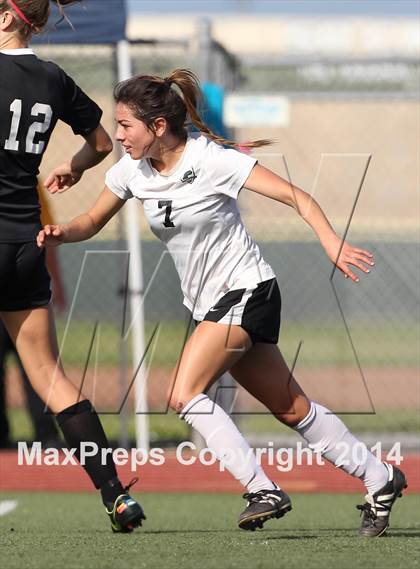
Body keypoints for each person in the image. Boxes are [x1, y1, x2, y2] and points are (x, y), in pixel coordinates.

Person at [38, 68, 407, 538]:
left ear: (157, 127)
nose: (118, 134)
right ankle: (379, 478)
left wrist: (331, 242)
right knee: (292, 409)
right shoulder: (132, 168)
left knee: (184, 393)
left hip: (248, 290)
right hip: (211, 305)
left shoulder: (212, 159)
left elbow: (298, 196)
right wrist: (58, 234)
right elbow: (90, 221)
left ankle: (262, 489)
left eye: (125, 124)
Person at [0, 0, 145, 532]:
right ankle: (115, 495)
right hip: (24, 240)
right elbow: (103, 143)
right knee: (50, 376)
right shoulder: (54, 78)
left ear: (11, 17)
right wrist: (74, 167)